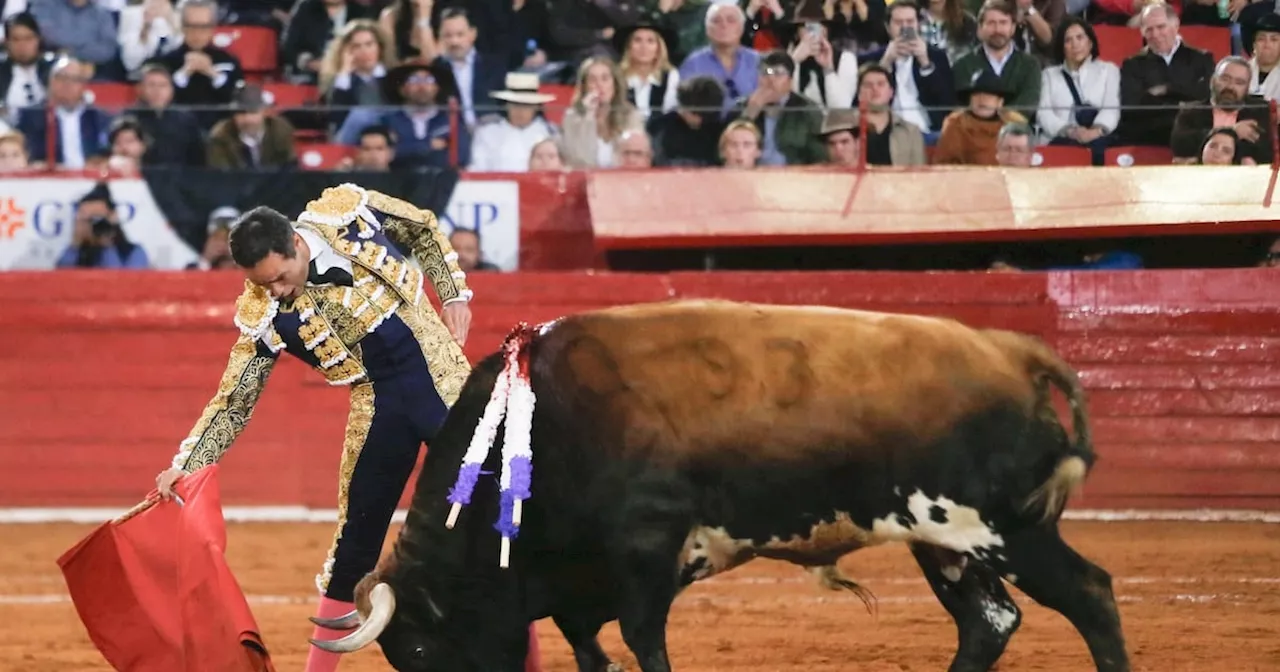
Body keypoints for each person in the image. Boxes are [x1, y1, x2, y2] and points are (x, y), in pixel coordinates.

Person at [151, 184, 541, 672]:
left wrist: (455, 292)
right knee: (354, 544)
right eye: (262, 284)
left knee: (492, 522)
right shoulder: (265, 313)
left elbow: (420, 226)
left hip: (443, 383)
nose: (275, 291)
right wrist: (186, 464)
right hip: (378, 404)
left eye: (278, 277)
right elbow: (235, 400)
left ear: (295, 242)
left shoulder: (348, 213)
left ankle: (530, 666)